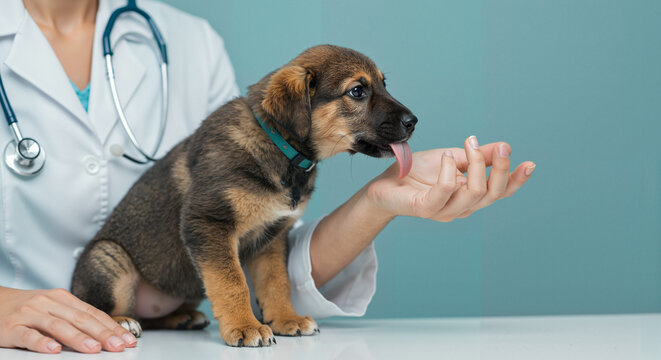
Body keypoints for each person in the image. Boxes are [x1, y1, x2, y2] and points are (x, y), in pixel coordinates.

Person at [0, 0, 535, 354]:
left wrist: (380, 200)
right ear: (298, 103)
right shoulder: (264, 119)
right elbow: (210, 227)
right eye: (358, 93)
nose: (382, 104)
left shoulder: (189, 39)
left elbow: (262, 240)